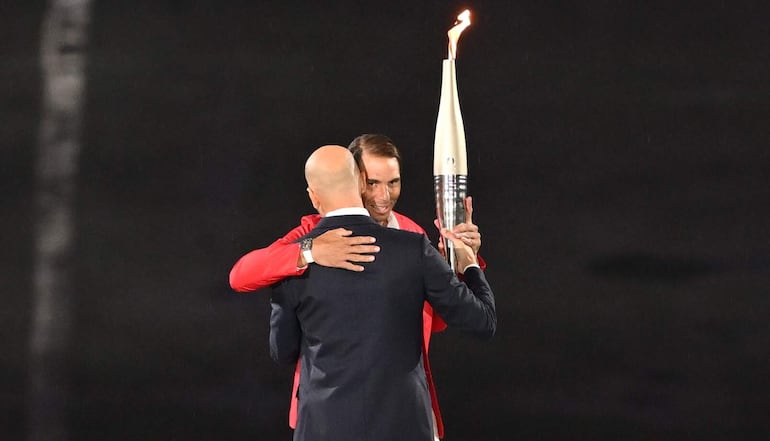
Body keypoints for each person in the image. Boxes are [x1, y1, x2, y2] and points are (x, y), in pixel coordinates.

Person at [229, 134, 484, 439]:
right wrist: (308, 251)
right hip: (330, 412)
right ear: (354, 179)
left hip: (402, 411)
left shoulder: (411, 236)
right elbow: (241, 275)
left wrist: (456, 264)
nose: (383, 196)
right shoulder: (313, 231)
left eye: (393, 182)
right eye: (372, 182)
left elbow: (434, 322)